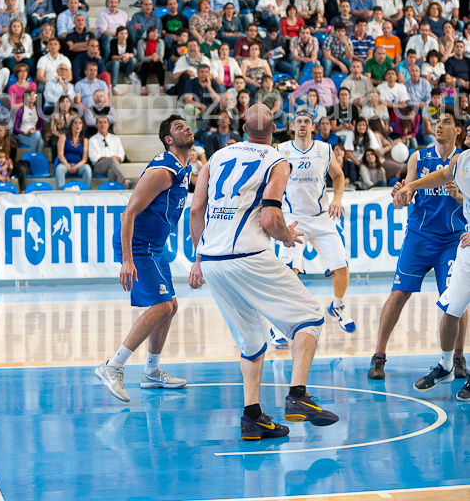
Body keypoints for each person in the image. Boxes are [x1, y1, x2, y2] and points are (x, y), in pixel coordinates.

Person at [189, 105, 338, 438]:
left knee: (252, 340)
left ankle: (252, 417)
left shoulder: (215, 158)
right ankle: (298, 395)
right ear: (275, 130)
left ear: (243, 127)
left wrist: (199, 258)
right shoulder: (277, 160)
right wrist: (288, 237)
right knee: (311, 318)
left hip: (213, 260)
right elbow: (270, 219)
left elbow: (196, 209)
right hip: (249, 255)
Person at [96, 116, 193, 402]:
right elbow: (128, 214)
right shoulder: (164, 171)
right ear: (168, 140)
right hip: (138, 246)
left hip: (154, 246)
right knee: (162, 306)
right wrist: (127, 260)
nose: (186, 127)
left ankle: (152, 372)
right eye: (178, 127)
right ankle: (112, 366)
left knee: (170, 306)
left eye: (186, 124)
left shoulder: (182, 168)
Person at [375, 112, 470, 392]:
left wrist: (458, 196)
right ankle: (379, 355)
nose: (439, 125)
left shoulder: (462, 160)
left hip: (453, 239)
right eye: (437, 121)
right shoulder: (420, 157)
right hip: (419, 236)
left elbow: (464, 196)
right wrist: (401, 192)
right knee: (398, 293)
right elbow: (406, 192)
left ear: (458, 131)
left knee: (457, 301)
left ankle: (458, 357)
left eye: (446, 122)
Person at [277, 110, 355, 330]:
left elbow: (338, 176)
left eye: (307, 122)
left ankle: (338, 305)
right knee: (289, 273)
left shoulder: (324, 149)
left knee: (342, 267)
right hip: (293, 218)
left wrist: (337, 198)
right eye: (298, 121)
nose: (302, 125)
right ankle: (281, 322)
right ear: (293, 126)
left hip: (322, 217)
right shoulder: (281, 150)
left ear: (313, 127)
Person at [88, 117, 131, 188]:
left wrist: (117, 158)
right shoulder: (92, 139)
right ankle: (125, 181)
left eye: (105, 122)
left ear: (108, 125)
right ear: (96, 125)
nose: (102, 125)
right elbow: (93, 156)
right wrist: (109, 159)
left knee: (112, 170)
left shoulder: (115, 138)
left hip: (114, 165)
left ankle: (111, 190)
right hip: (99, 166)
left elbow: (121, 153)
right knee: (112, 160)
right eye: (100, 122)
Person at [55, 116, 92, 190]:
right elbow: (60, 154)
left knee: (87, 168)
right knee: (59, 169)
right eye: (75, 123)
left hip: (78, 165)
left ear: (82, 126)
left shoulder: (85, 140)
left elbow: (84, 159)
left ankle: (86, 191)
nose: (77, 125)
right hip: (65, 164)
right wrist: (68, 166)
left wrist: (76, 167)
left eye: (80, 123)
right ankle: (60, 192)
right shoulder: (63, 137)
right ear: (71, 126)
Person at [137, 26, 165, 95]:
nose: (155, 34)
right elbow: (141, 58)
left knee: (159, 64)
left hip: (156, 63)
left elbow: (161, 57)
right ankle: (143, 87)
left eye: (157, 32)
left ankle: (161, 87)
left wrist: (156, 57)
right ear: (148, 33)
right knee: (145, 64)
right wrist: (151, 57)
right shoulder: (141, 42)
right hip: (144, 64)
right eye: (153, 32)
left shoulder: (160, 42)